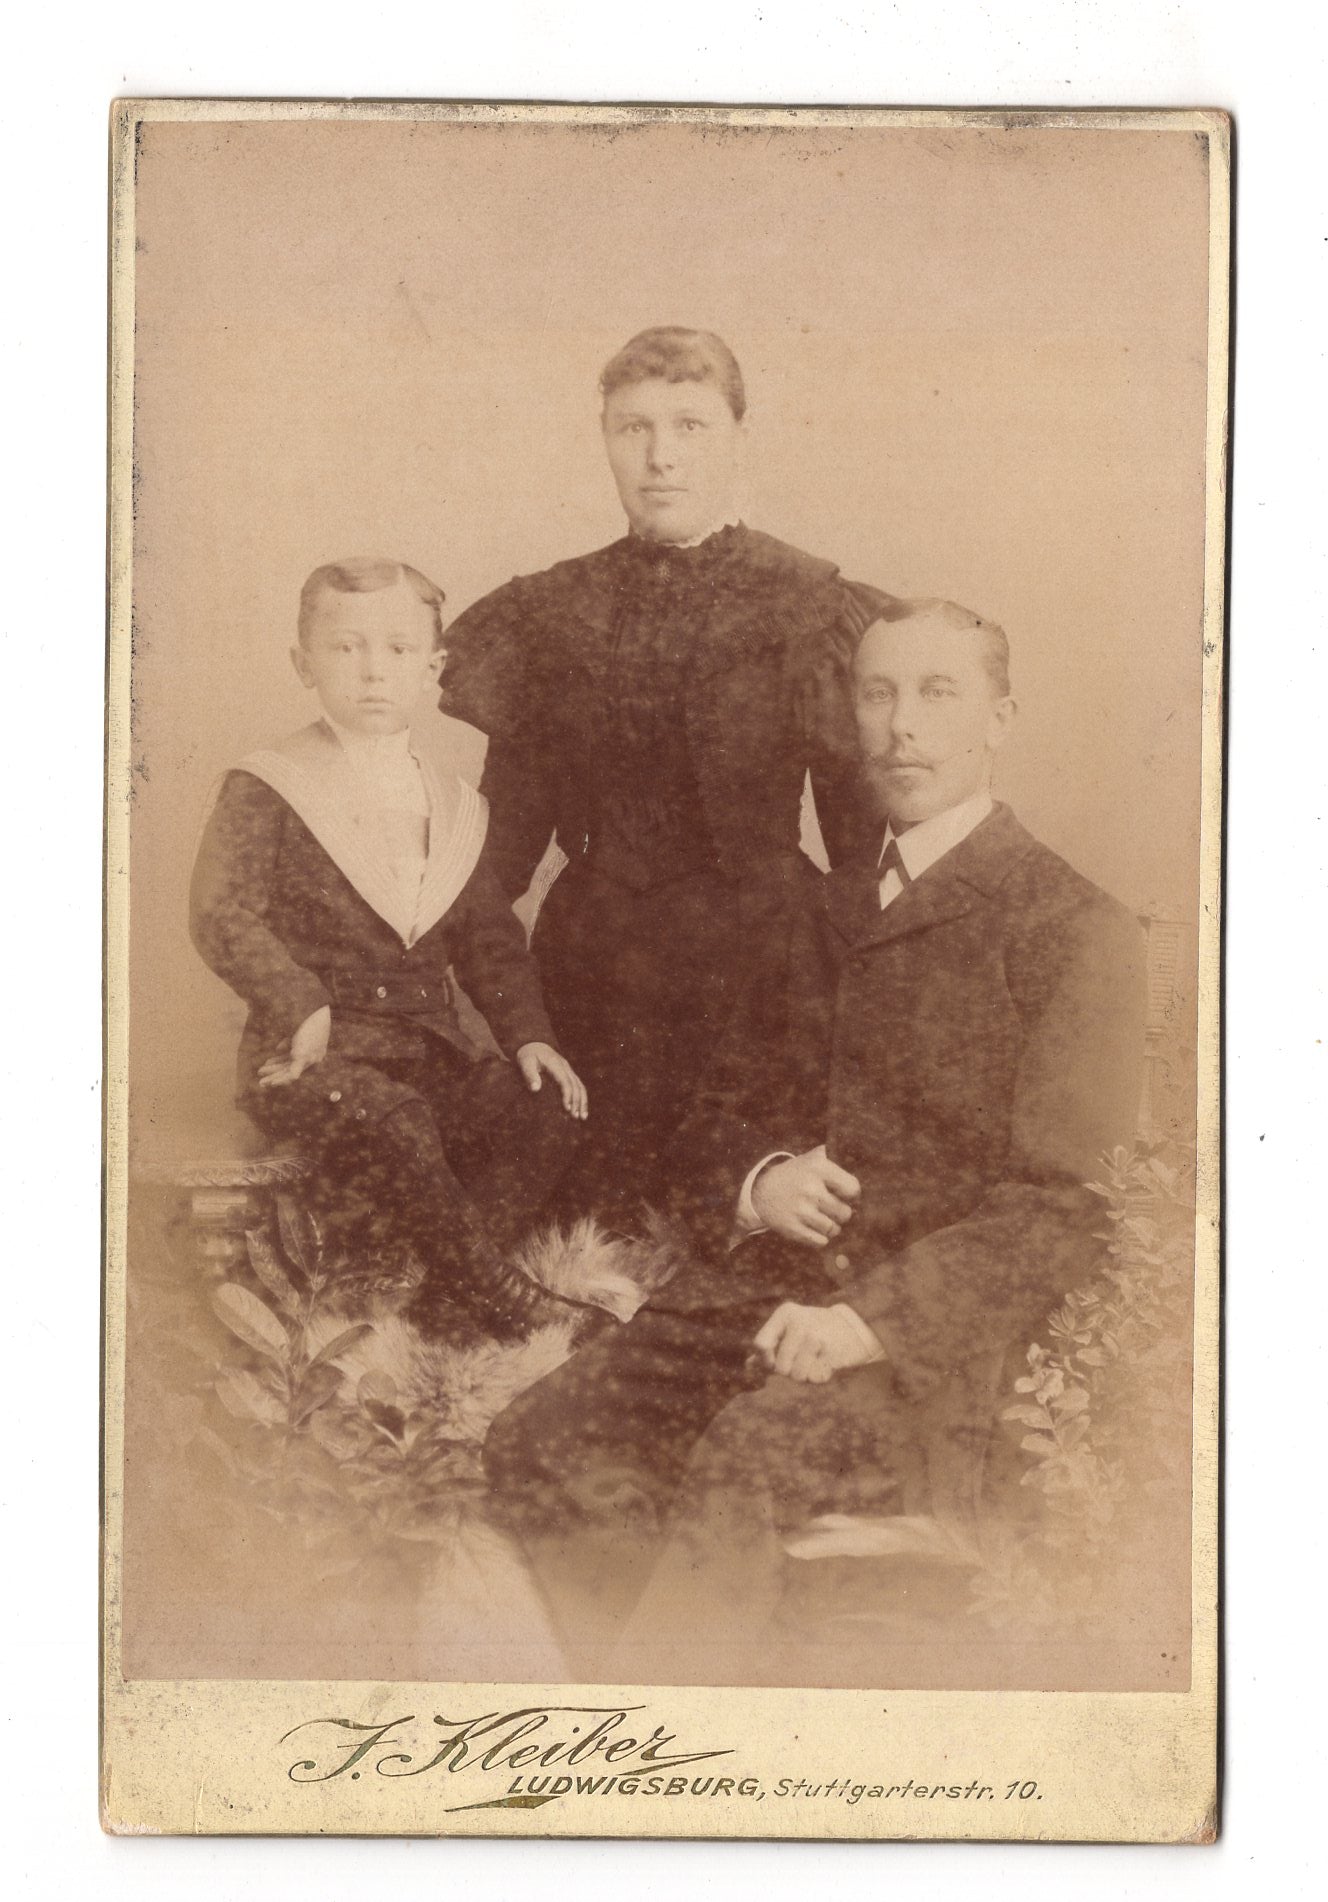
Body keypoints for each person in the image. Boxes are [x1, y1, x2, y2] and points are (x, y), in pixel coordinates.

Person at [482, 597, 1147, 1660]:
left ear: (1000, 717)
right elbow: (711, 1116)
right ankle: (652, 1701)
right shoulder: (814, 906)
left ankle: (686, 1723)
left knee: (747, 1462)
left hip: (922, 1346)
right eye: (877, 694)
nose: (902, 726)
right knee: (538, 1442)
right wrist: (763, 1179)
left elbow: (1064, 1208)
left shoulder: (1071, 926)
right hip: (757, 1298)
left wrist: (868, 1322)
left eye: (937, 693)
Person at [438, 326, 883, 1219]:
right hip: (595, 986)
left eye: (690, 426)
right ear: (604, 438)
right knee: (584, 1233)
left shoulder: (809, 604)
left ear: (739, 437)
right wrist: (517, 1024)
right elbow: (491, 867)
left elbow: (860, 867)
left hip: (766, 983)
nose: (660, 457)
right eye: (633, 427)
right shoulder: (549, 615)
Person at [189, 557, 589, 1341]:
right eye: (346, 648)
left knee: (548, 1107)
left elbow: (489, 940)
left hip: (427, 1050)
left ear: (432, 669)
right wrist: (300, 1005)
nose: (373, 671)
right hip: (309, 1058)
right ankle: (502, 1295)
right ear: (303, 663)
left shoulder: (455, 805)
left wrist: (529, 1036)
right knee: (396, 1117)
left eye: (399, 650)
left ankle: (443, 1299)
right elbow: (220, 911)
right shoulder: (269, 784)